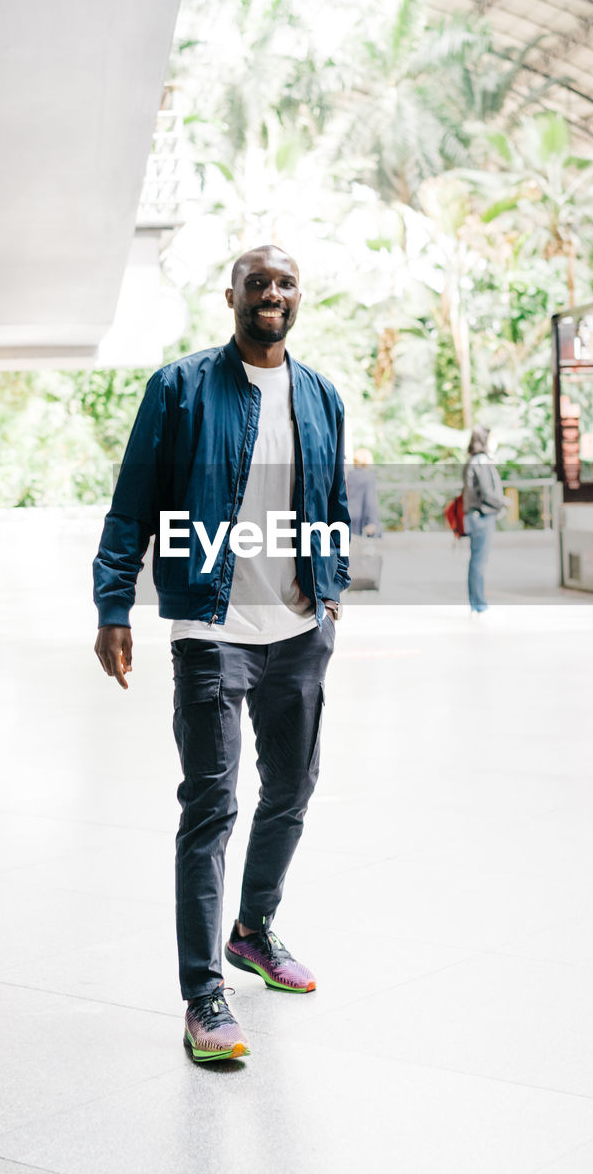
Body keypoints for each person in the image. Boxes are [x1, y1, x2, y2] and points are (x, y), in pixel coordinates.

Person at [93, 245, 350, 1062]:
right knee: (210, 806)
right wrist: (113, 602)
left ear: (296, 297)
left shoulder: (320, 395)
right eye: (257, 283)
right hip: (210, 629)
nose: (271, 295)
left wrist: (331, 590)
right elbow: (133, 500)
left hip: (298, 630)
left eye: (284, 283)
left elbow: (334, 501)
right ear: (231, 295)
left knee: (292, 790)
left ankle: (253, 929)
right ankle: (203, 992)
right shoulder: (179, 388)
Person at [463, 425, 505, 614]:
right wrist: (502, 502)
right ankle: (479, 605)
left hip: (473, 516)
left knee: (476, 561)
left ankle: (476, 603)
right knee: (479, 562)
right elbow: (487, 492)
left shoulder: (472, 460)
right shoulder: (481, 461)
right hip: (482, 516)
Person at [346, 447, 379, 536]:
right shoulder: (369, 477)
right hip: (361, 518)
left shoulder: (349, 475)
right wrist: (373, 522)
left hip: (348, 514)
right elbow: (370, 500)